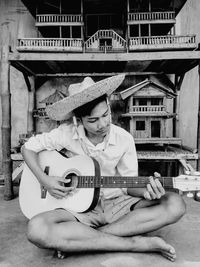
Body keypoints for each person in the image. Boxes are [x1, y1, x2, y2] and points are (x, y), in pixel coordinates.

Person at [22, 74, 185, 262]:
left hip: (116, 204)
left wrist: (147, 191)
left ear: (108, 106)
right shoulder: (65, 134)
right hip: (77, 209)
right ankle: (135, 244)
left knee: (175, 204)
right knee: (36, 229)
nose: (103, 124)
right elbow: (28, 148)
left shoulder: (124, 139)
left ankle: (83, 240)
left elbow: (129, 184)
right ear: (78, 120)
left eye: (105, 115)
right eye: (93, 120)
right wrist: (45, 180)